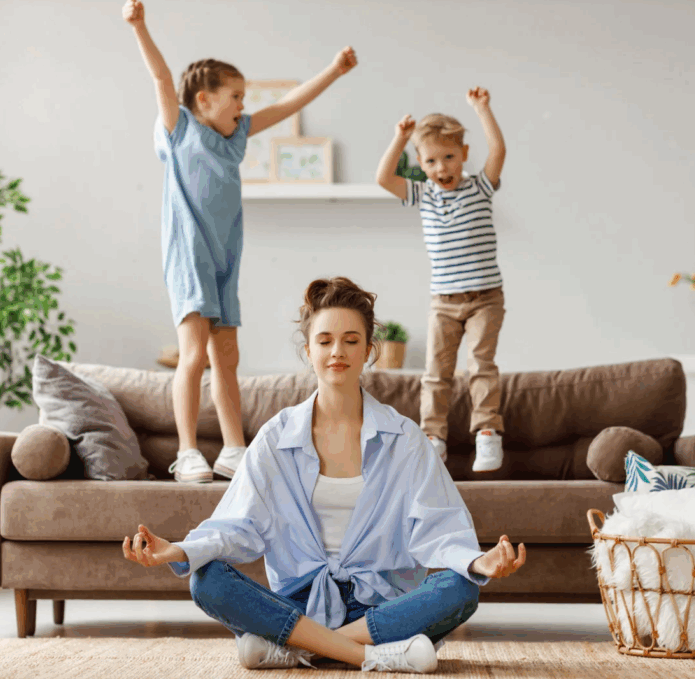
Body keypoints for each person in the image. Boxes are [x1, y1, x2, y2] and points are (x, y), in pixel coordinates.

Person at [123, 277, 527, 673]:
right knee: (205, 579)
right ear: (308, 350)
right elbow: (238, 525)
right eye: (325, 341)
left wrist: (479, 562)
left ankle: (295, 647)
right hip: (298, 603)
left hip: (379, 606)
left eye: (352, 340)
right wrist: (178, 551)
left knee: (460, 588)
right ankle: (372, 655)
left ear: (370, 351)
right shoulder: (276, 437)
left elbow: (438, 527)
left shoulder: (404, 438)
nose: (338, 351)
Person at [124, 0, 358, 483]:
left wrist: (334, 70)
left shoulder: (236, 137)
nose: (242, 105)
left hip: (226, 257)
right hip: (188, 255)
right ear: (204, 100)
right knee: (193, 354)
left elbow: (288, 104)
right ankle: (187, 450)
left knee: (226, 357)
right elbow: (163, 81)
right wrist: (140, 27)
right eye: (235, 96)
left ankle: (233, 448)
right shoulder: (180, 129)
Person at [374, 88, 508, 472]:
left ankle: (486, 433)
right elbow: (384, 177)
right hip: (443, 302)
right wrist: (400, 137)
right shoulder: (423, 194)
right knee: (436, 372)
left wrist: (482, 109)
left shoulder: (480, 187)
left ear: (464, 155)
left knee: (481, 364)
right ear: (420, 162)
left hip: (485, 297)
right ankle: (433, 437)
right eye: (431, 161)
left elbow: (498, 150)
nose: (441, 168)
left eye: (449, 157)